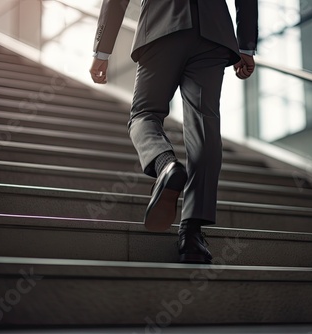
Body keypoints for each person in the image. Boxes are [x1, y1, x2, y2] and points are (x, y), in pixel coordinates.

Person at [90, 0, 258, 264]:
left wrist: (102, 52)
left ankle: (165, 164)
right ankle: (191, 235)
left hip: (161, 25)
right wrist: (246, 44)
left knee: (144, 115)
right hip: (212, 33)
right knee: (205, 127)